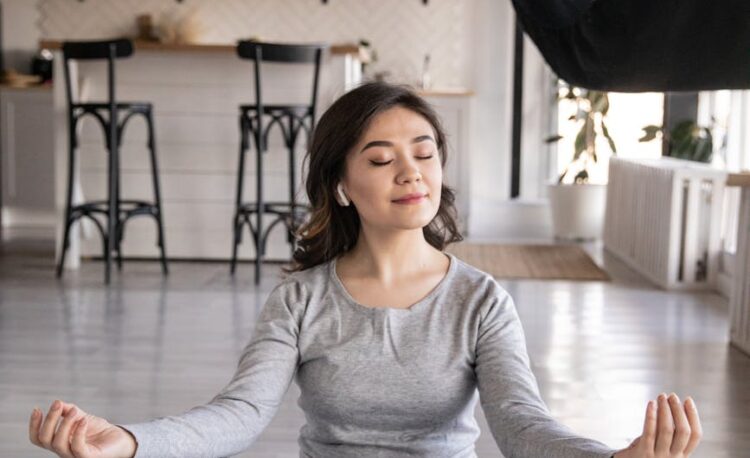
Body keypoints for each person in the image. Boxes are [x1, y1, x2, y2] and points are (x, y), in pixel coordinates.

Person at [28, 82, 702, 458]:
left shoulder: (481, 301)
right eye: (381, 159)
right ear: (343, 185)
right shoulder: (301, 300)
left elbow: (520, 424)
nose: (412, 170)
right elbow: (239, 413)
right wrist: (128, 443)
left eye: (425, 151)